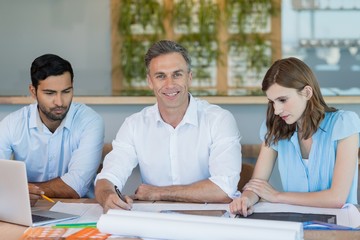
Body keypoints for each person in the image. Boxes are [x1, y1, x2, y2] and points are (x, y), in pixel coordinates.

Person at [95, 40, 242, 212]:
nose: (170, 84)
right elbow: (108, 177)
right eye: (160, 76)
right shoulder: (134, 125)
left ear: (190, 77)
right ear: (150, 81)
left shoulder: (219, 120)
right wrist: (107, 195)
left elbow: (224, 189)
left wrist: (158, 193)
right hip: (155, 222)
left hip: (208, 219)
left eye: (177, 74)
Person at [230, 57, 360, 217]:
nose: (277, 110)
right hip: (295, 224)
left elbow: (336, 198)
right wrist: (246, 199)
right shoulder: (275, 129)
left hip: (340, 228)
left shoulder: (344, 123)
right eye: (272, 102)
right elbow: (257, 185)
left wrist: (277, 196)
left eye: (283, 100)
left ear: (307, 92)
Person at [0, 54, 105, 206]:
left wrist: (22, 190)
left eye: (66, 91)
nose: (59, 102)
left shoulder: (90, 121)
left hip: (80, 210)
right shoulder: (12, 124)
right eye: (50, 93)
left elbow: (76, 185)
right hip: (29, 210)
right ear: (33, 91)